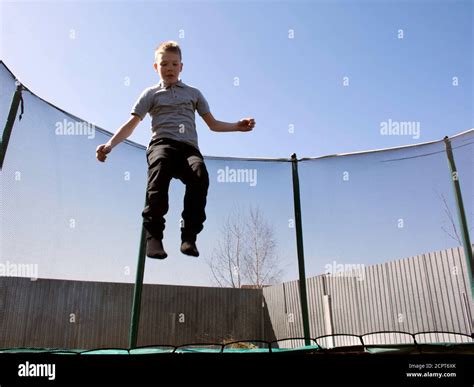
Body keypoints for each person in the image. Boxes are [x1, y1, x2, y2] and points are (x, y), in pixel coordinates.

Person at [96, 41, 255, 259]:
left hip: (189, 149)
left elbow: (213, 124)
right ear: (155, 67)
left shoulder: (194, 93)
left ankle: (189, 236)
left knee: (200, 174)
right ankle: (154, 237)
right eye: (164, 64)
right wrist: (109, 145)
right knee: (159, 168)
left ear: (182, 66)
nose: (169, 68)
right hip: (162, 144)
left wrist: (237, 126)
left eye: (174, 64)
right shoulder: (150, 94)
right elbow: (132, 124)